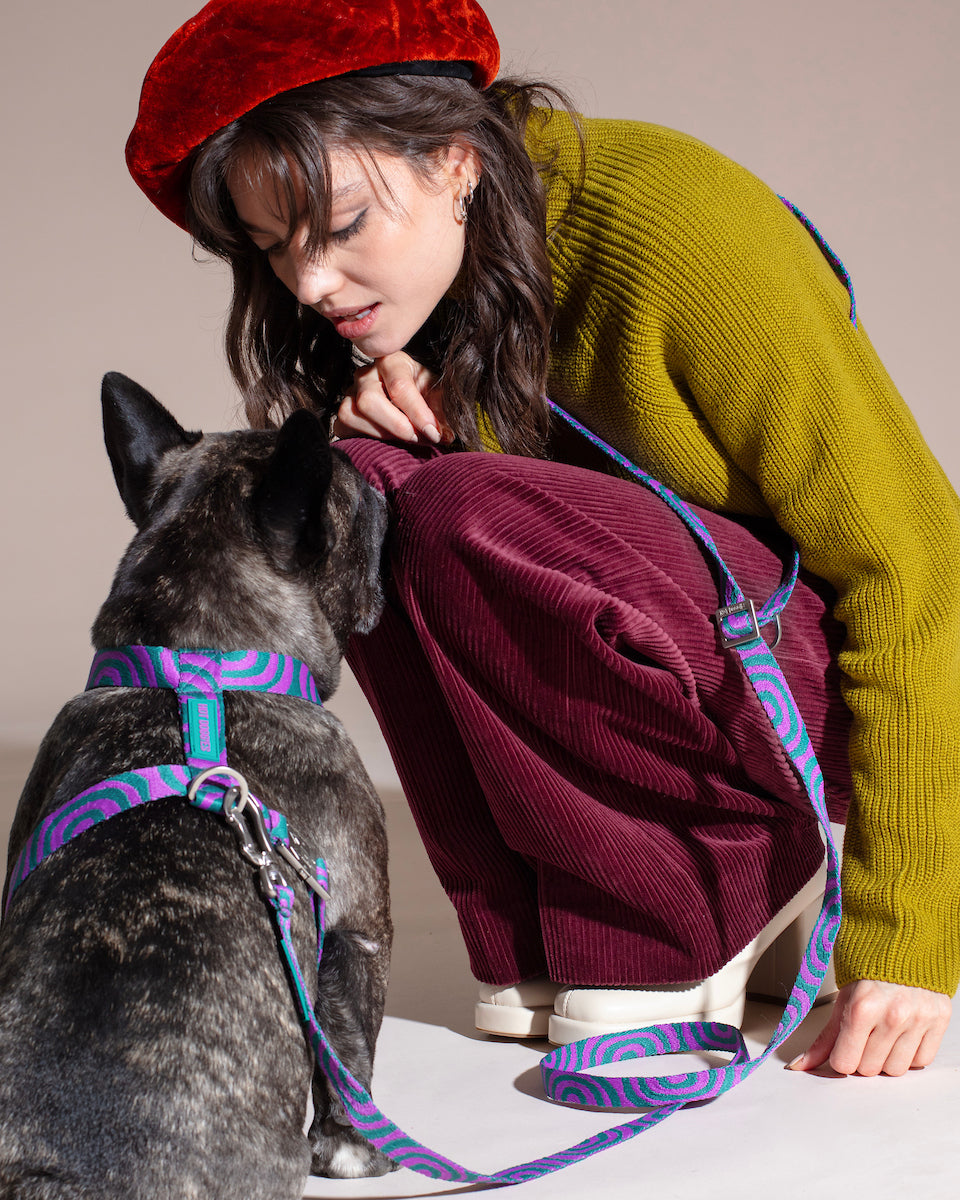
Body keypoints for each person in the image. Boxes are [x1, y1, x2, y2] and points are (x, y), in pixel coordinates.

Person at [125, 0, 957, 1078]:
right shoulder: (429, 291)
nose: (310, 284)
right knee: (355, 493)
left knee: (457, 505)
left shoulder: (679, 227)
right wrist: (390, 422)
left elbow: (921, 567)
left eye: (341, 226)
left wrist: (909, 938)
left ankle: (711, 884)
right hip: (699, 650)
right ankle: (531, 915)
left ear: (455, 161)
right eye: (274, 247)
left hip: (815, 690)